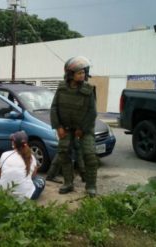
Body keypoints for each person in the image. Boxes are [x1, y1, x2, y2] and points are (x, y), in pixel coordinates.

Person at [49, 56, 99, 197]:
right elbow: (54, 108)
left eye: (84, 72)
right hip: (66, 128)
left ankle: (90, 186)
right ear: (70, 74)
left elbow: (92, 112)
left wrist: (82, 129)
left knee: (89, 155)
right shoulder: (61, 88)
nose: (82, 75)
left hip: (85, 129)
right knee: (64, 153)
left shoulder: (88, 90)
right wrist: (58, 127)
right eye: (79, 73)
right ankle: (68, 183)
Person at [0, 131, 45, 200]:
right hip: (25, 199)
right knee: (40, 179)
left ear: (14, 143)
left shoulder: (5, 155)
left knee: (0, 181)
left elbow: (0, 173)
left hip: (3, 196)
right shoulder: (32, 157)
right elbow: (33, 176)